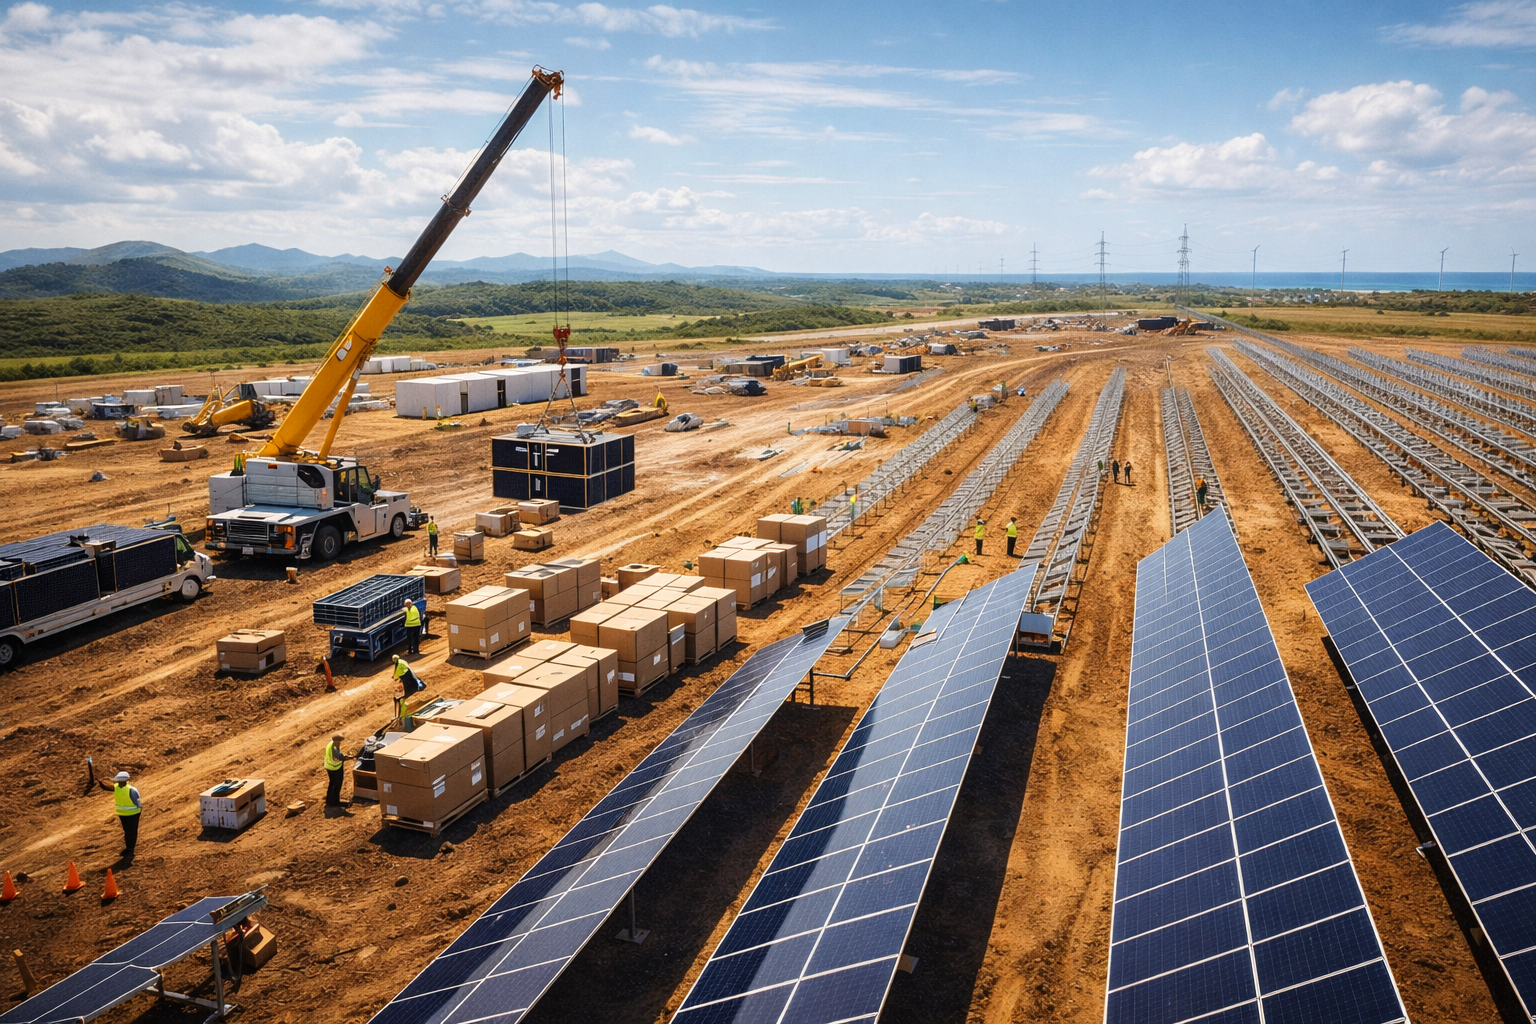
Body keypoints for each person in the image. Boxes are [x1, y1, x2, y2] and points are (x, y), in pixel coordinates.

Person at [97, 770, 142, 859]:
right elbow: (106, 787)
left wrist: (139, 809)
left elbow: (137, 802)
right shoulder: (118, 787)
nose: (118, 782)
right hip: (123, 814)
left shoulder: (130, 790)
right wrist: (99, 782)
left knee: (131, 832)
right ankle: (129, 848)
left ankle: (130, 849)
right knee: (128, 831)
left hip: (133, 814)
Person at [323, 733, 350, 807]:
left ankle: (331, 801)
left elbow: (338, 754)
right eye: (339, 741)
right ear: (336, 741)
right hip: (334, 768)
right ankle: (333, 803)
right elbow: (337, 758)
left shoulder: (332, 743)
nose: (340, 743)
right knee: (336, 785)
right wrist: (345, 758)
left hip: (330, 767)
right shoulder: (333, 748)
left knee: (332, 784)